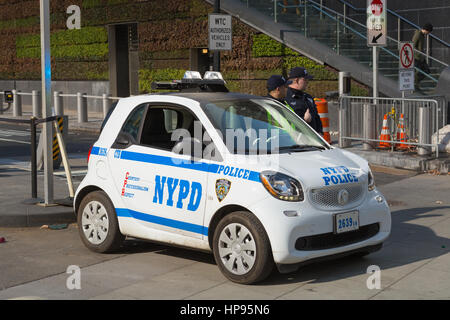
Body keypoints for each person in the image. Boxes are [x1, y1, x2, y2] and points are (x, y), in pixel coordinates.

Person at [285, 67, 323, 135]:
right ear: (296, 80)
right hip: (295, 140)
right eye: (305, 79)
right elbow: (285, 121)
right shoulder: (286, 98)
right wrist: (304, 119)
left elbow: (316, 117)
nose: (307, 82)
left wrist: (320, 132)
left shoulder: (308, 97)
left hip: (313, 140)